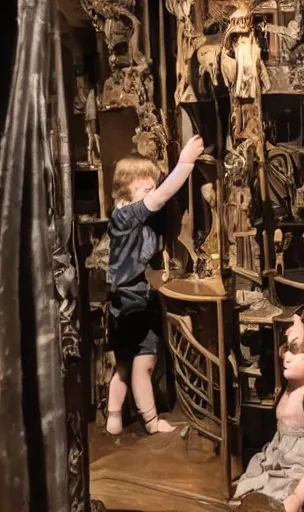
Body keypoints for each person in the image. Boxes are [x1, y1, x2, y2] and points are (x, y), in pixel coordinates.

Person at [105, 135, 204, 435]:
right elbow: (160, 197)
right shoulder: (127, 215)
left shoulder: (125, 219)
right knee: (142, 364)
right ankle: (151, 421)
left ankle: (113, 419)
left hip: (123, 303)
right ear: (125, 189)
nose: (152, 189)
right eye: (144, 185)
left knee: (123, 365)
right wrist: (185, 162)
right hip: (133, 304)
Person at [234, 315, 304, 512]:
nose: (286, 358)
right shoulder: (288, 387)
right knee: (259, 477)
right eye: (286, 352)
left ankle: (293, 502)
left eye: (294, 352)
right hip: (278, 451)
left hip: (299, 458)